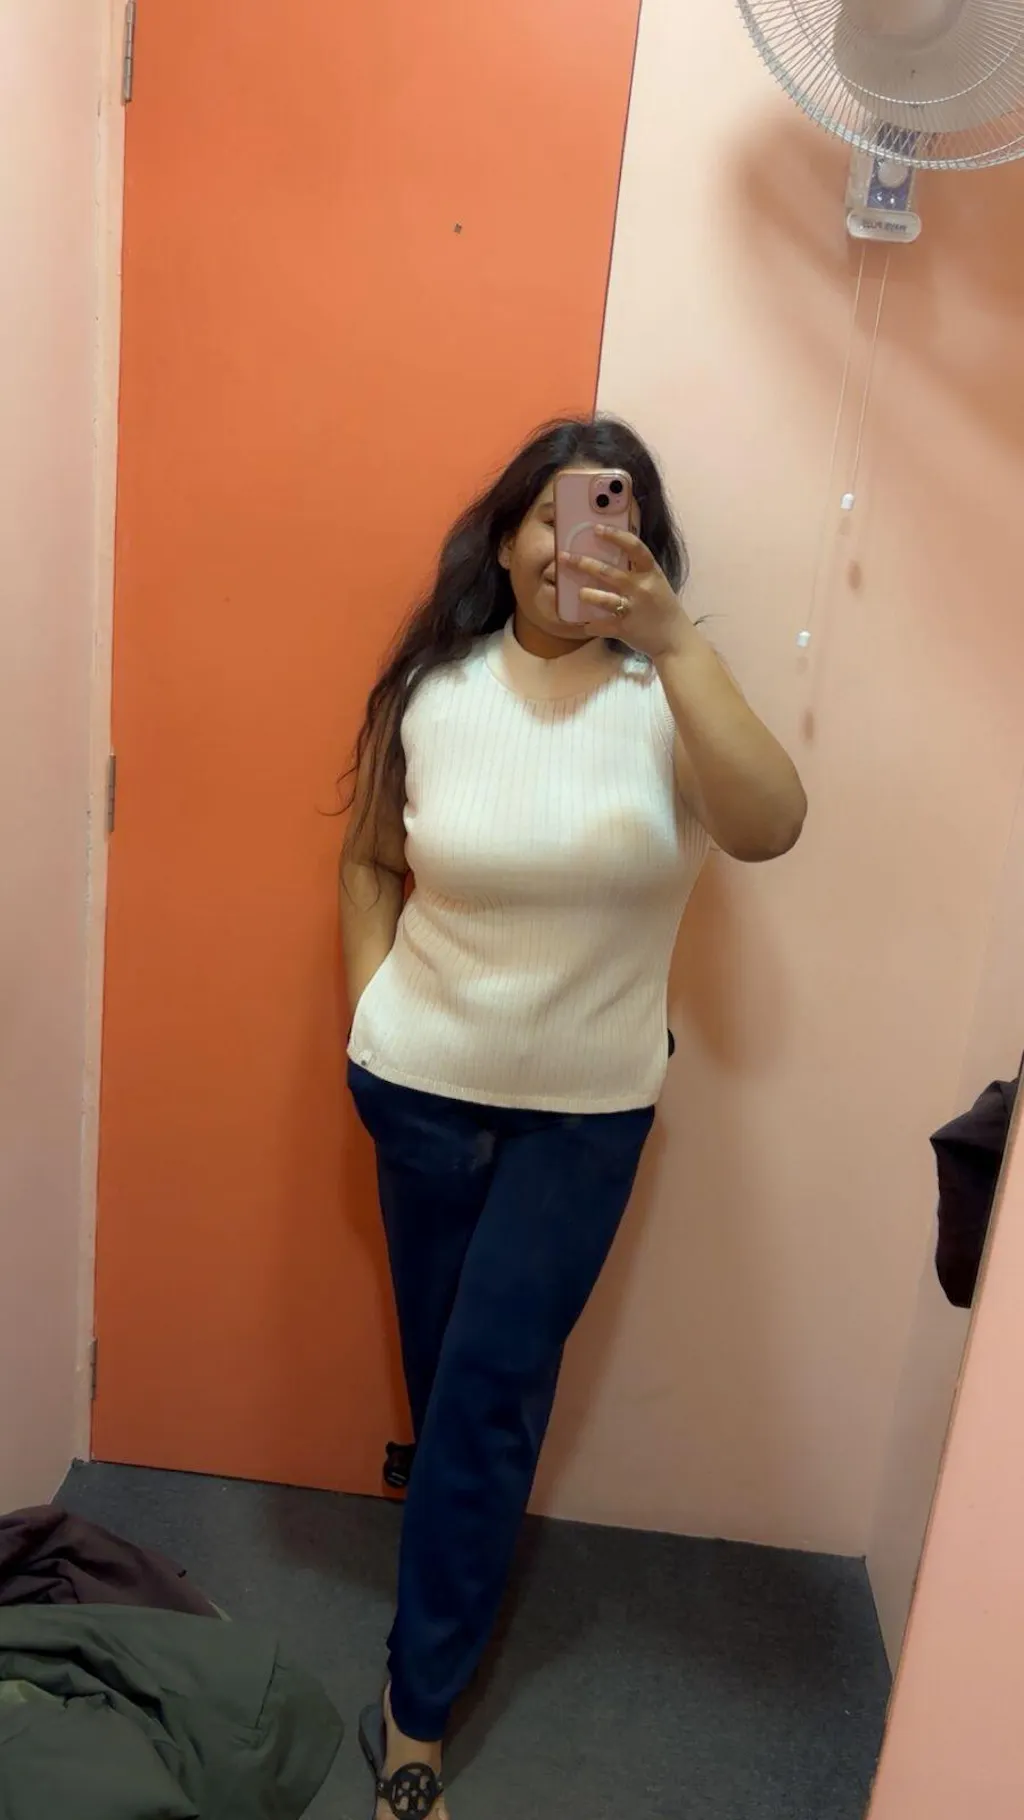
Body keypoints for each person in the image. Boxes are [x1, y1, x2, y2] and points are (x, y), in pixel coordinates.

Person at [339, 416, 806, 1819]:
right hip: (419, 1092)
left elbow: (771, 824)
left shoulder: (670, 698)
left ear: (643, 546)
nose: (575, 544)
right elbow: (367, 861)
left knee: (486, 1400)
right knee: (448, 1377)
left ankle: (415, 1711)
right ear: (504, 539)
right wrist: (371, 1018)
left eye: (610, 517)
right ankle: (445, 1542)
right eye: (551, 516)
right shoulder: (432, 690)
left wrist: (675, 646)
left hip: (581, 1121)